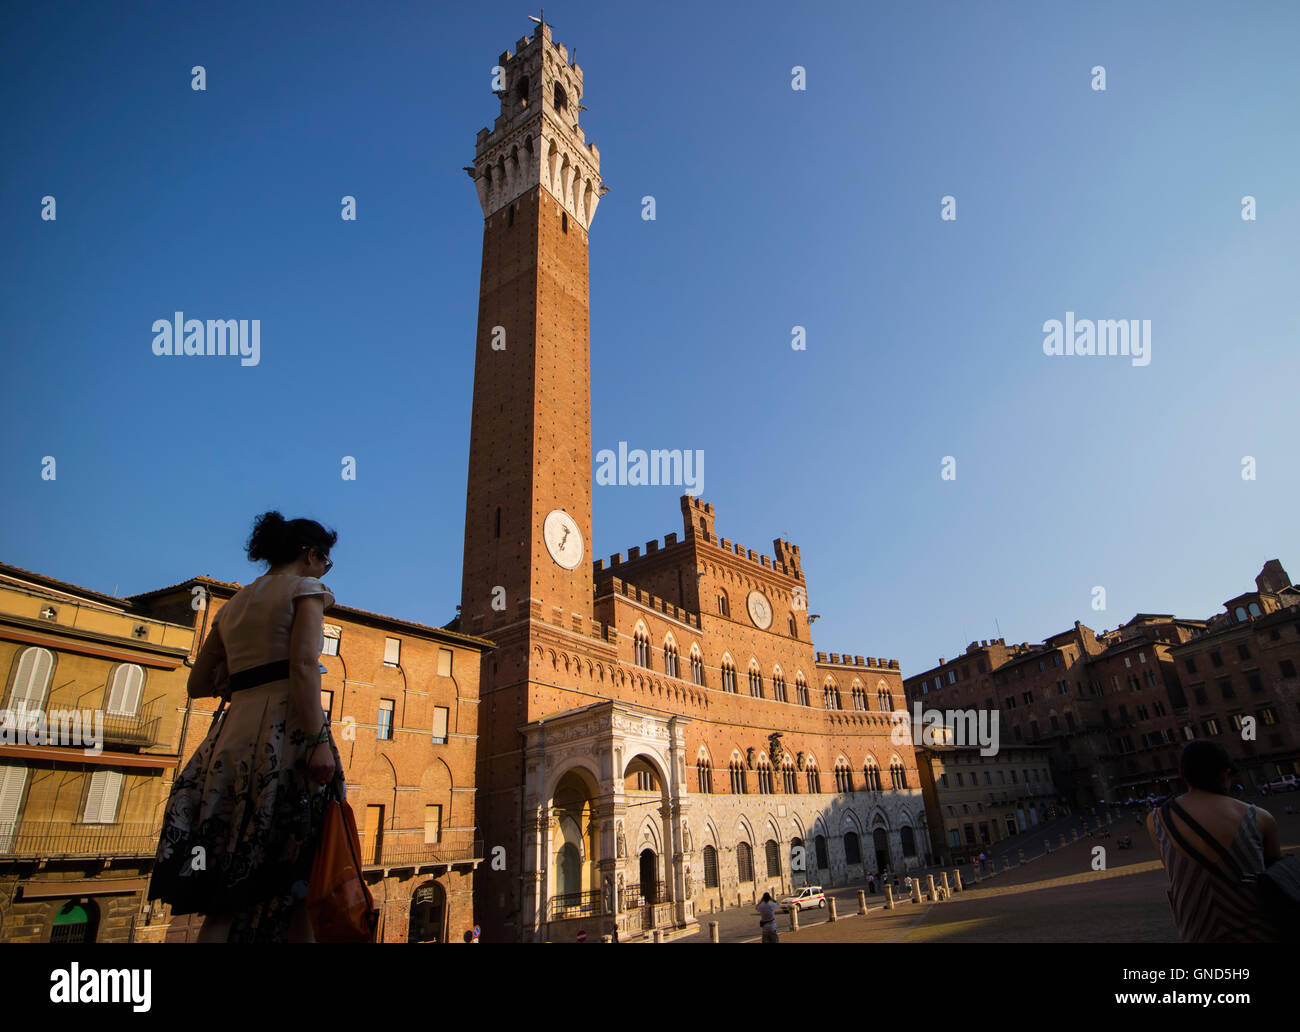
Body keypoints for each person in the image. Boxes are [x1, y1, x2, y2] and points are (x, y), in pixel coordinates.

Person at [147, 511, 344, 943]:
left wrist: (237, 677)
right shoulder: (307, 590)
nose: (326, 570)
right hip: (285, 736)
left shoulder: (232, 606)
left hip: (230, 741)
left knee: (226, 896)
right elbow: (305, 666)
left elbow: (197, 684)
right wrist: (316, 742)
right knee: (304, 882)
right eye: (326, 561)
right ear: (310, 555)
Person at [1146, 739, 1283, 943]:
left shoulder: (1157, 820)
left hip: (1198, 933)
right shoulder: (1261, 818)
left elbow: (1172, 871)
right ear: (1225, 774)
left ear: (1183, 775)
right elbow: (1279, 878)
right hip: (1259, 933)